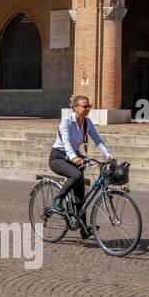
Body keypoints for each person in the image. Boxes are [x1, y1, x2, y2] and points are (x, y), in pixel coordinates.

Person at [46, 94, 114, 238]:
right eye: (85, 106)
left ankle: (83, 229)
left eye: (89, 106)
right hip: (58, 156)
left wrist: (109, 155)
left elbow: (98, 140)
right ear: (76, 108)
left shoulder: (87, 122)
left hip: (74, 156)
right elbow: (66, 143)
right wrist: (74, 157)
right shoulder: (66, 122)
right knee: (76, 175)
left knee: (80, 194)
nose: (88, 109)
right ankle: (57, 201)